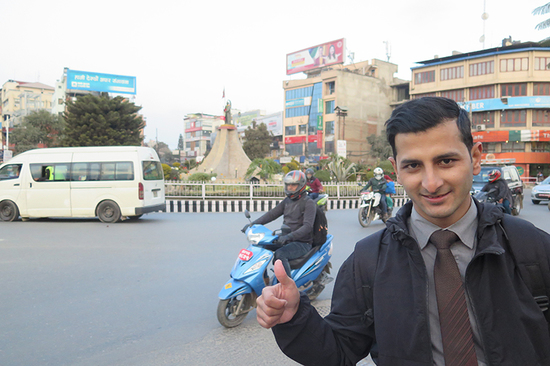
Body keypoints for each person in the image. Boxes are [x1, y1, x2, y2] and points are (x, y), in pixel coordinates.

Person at [256, 97, 550, 366]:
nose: (431, 183)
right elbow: (338, 349)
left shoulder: (529, 247)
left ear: (475, 157)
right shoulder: (368, 261)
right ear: (396, 169)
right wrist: (294, 319)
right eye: (413, 166)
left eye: (446, 161)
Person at [242, 170, 316, 277]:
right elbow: (272, 214)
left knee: (280, 254)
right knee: (259, 247)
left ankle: (287, 287)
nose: (289, 188)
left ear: (301, 186)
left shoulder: (308, 203)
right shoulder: (287, 201)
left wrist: (290, 236)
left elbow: (307, 227)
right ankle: (263, 279)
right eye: (288, 185)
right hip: (286, 238)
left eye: (293, 185)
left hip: (302, 242)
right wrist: (253, 224)